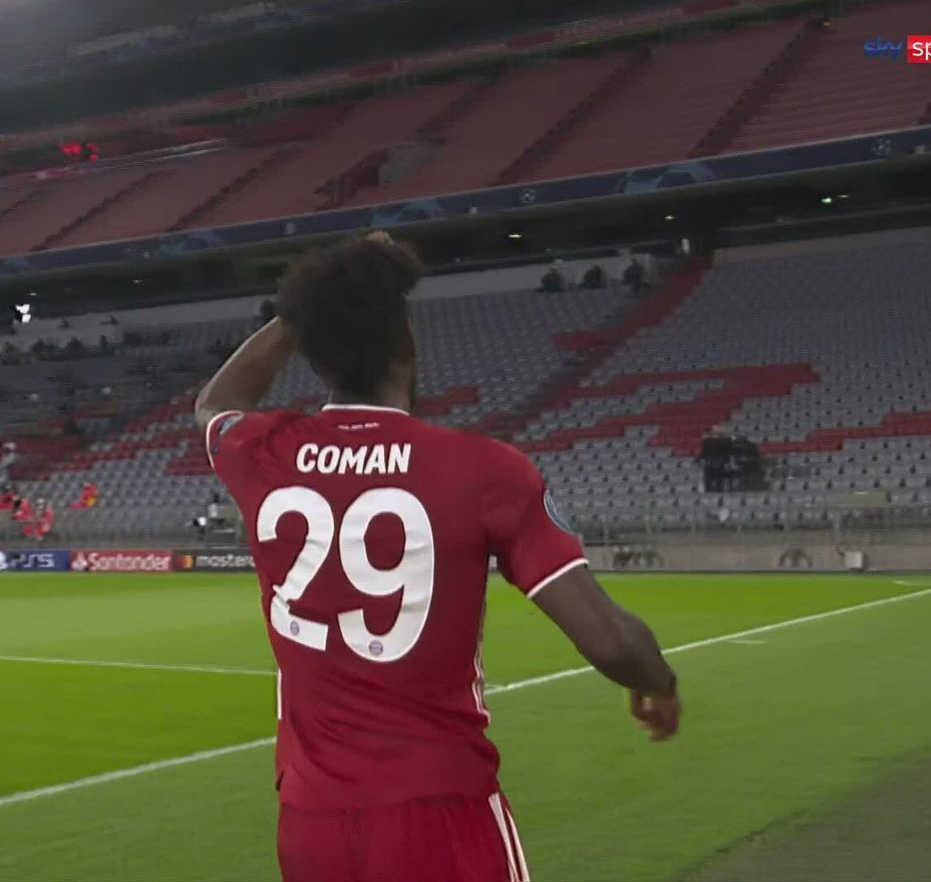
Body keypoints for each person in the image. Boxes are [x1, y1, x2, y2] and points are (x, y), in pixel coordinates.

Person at [195, 232, 680, 882]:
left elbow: (216, 402)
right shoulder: (482, 468)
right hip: (440, 813)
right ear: (405, 343)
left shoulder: (264, 452)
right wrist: (658, 681)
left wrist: (306, 309)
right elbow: (611, 642)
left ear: (313, 349)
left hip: (310, 822)